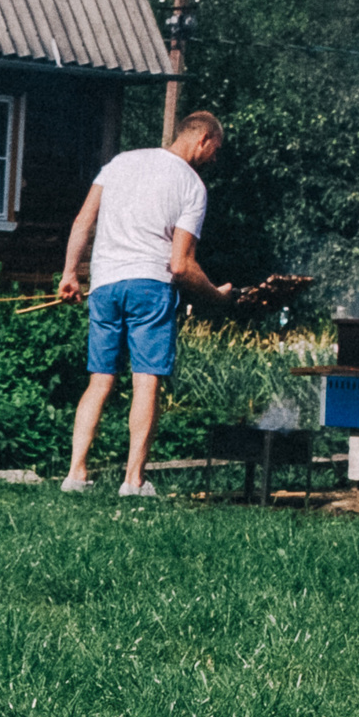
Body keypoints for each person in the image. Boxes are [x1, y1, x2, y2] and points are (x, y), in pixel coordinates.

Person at [58, 112, 233, 497]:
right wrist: (216, 296)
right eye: (214, 151)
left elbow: (83, 220)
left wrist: (70, 272)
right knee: (146, 382)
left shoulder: (120, 163)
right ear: (202, 139)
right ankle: (133, 481)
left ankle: (75, 474)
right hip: (150, 286)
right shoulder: (191, 185)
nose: (212, 159)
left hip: (104, 283)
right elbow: (180, 265)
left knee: (99, 380)